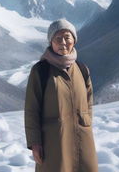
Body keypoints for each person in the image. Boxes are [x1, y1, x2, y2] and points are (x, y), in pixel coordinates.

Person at [24, 19, 98, 172]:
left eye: (67, 37)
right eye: (58, 38)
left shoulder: (82, 69)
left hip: (82, 139)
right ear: (51, 41)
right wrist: (34, 143)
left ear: (74, 40)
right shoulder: (41, 71)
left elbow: (88, 102)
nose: (63, 42)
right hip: (54, 142)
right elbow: (32, 109)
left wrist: (86, 122)